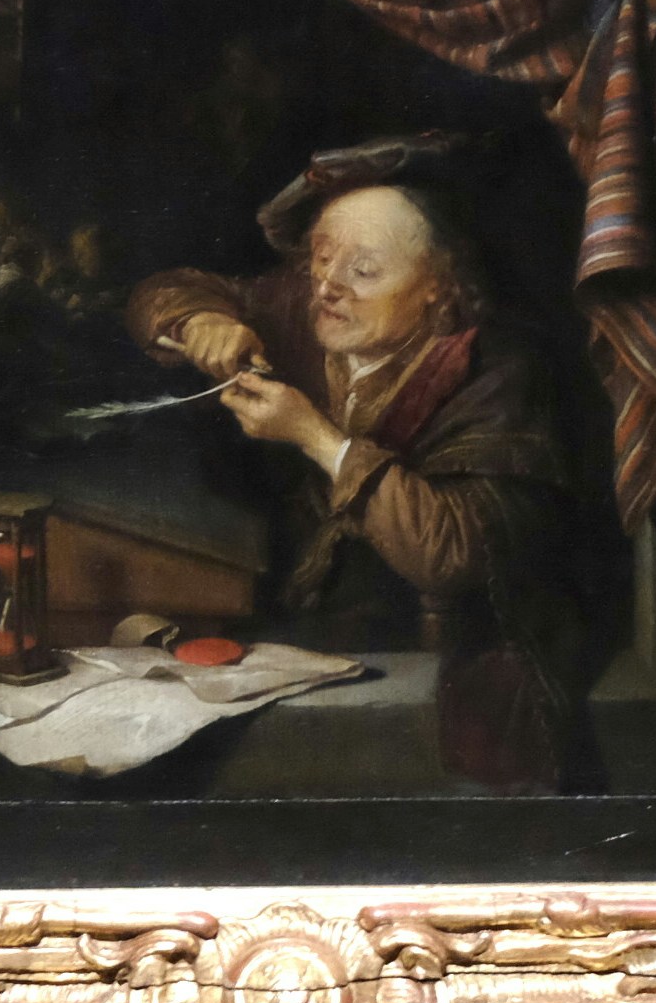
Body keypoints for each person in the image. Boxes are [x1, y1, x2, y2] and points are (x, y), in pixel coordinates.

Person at [124, 136, 589, 792]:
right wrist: (202, 321)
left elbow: (450, 553)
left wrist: (315, 436)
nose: (328, 287)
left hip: (444, 649)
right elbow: (164, 290)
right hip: (318, 627)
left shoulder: (499, 373)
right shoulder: (306, 306)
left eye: (364, 270)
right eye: (321, 256)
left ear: (438, 290)